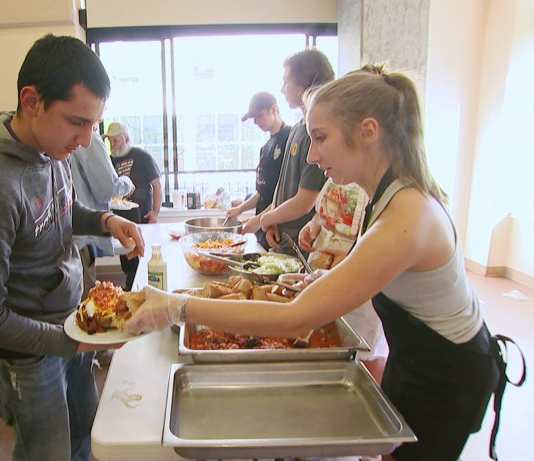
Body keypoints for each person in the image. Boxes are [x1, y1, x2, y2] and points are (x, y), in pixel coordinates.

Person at [124, 65, 512, 460]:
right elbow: (376, 271)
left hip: (448, 373)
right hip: (414, 357)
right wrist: (327, 276)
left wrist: (177, 307)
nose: (311, 154)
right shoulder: (383, 194)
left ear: (368, 131)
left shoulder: (408, 215)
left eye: (321, 138)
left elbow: (296, 318)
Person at [0, 34, 144, 461]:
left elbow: (59, 211)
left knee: (84, 439)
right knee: (47, 453)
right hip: (26, 355)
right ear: (32, 100)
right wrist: (71, 342)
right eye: (77, 121)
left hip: (67, 325)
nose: (87, 139)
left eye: (93, 124)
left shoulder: (51, 151)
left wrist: (105, 219)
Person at [242, 49, 333, 253]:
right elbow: (282, 189)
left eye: (286, 81)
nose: (282, 89)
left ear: (303, 83)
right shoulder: (298, 128)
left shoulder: (316, 134)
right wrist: (269, 219)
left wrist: (265, 219)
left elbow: (304, 202)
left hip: (300, 246)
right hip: (282, 240)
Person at [301, 179, 388, 383]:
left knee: (365, 356)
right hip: (326, 272)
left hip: (359, 291)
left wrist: (348, 261)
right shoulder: (336, 178)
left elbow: (376, 258)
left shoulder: (390, 199)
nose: (311, 156)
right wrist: (312, 225)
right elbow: (322, 213)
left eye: (320, 144)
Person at [70, 131, 135, 298]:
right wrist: (127, 183)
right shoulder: (85, 138)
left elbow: (69, 208)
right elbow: (107, 188)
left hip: (68, 240)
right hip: (76, 243)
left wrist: (108, 220)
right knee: (83, 309)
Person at [226, 91, 291, 250]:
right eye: (253, 118)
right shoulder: (266, 148)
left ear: (274, 109)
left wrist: (259, 220)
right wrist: (240, 209)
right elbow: (262, 191)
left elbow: (287, 193)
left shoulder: (290, 137)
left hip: (280, 228)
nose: (255, 122)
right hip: (264, 227)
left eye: (259, 116)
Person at [104, 121, 162, 291]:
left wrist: (155, 212)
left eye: (116, 140)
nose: (112, 145)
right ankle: (131, 288)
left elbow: (157, 185)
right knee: (127, 259)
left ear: (126, 138)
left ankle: (145, 288)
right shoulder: (108, 161)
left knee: (143, 258)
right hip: (120, 221)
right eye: (110, 141)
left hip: (142, 218)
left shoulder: (142, 157)